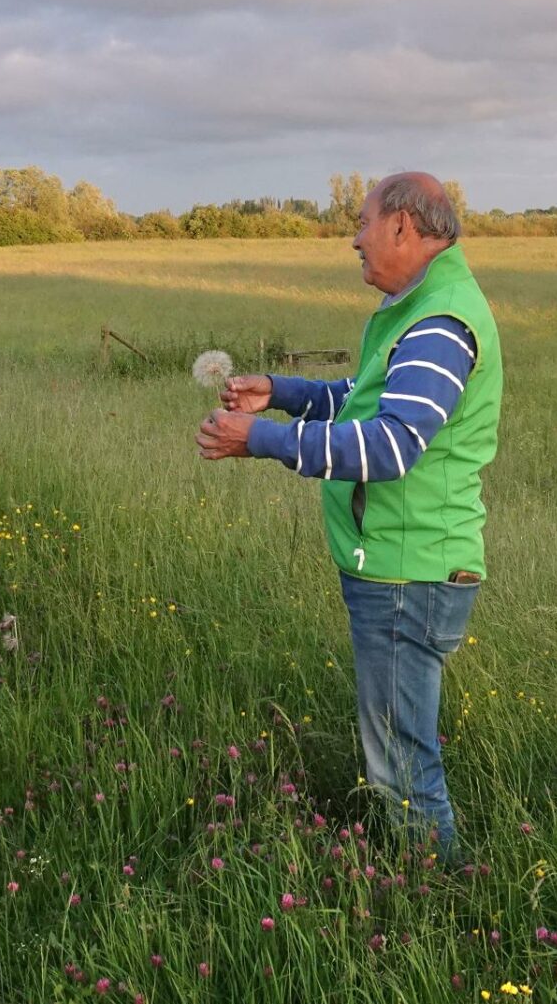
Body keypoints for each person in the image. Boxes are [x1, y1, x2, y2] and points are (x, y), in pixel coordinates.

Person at [196, 172, 502, 858]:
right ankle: (426, 889)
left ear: (403, 226)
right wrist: (282, 392)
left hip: (407, 572)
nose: (354, 239)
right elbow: (363, 398)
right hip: (398, 564)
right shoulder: (412, 311)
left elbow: (390, 445)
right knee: (398, 750)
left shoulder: (440, 322)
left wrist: (260, 439)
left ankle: (436, 903)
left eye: (362, 222)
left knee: (403, 765)